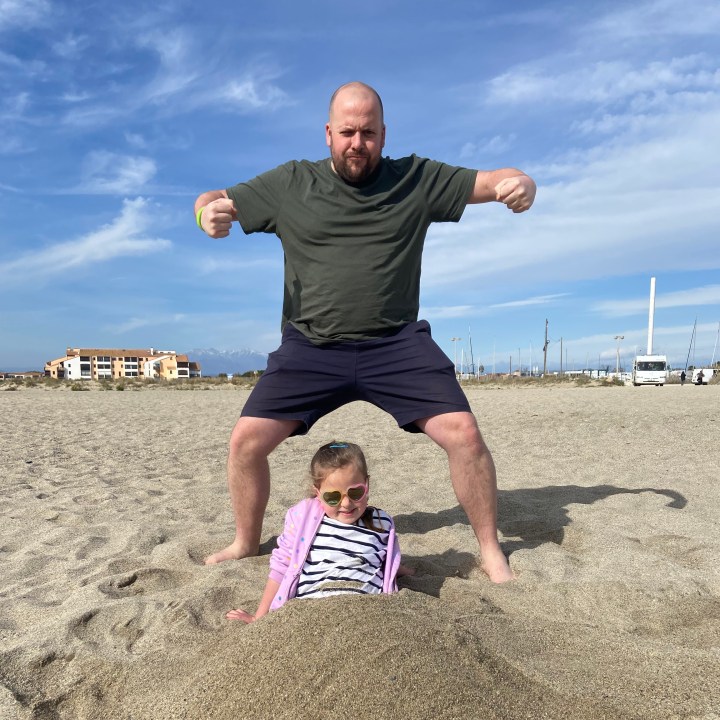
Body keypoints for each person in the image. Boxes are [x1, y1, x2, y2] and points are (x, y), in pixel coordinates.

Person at [195, 81, 537, 583]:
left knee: (464, 434)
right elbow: (214, 197)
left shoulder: (415, 179)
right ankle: (246, 540)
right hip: (310, 346)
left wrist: (521, 182)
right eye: (348, 132)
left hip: (397, 344)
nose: (358, 143)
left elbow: (495, 178)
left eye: (369, 133)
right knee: (246, 442)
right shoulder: (290, 183)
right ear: (329, 133)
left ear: (384, 133)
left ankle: (489, 548)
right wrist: (208, 214)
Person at [226, 441, 412, 622]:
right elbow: (282, 566)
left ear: (367, 484)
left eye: (356, 493)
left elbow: (385, 560)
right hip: (313, 612)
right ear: (317, 492)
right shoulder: (303, 519)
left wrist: (399, 569)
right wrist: (259, 617)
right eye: (333, 497)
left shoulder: (381, 522)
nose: (346, 503)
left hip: (368, 610)